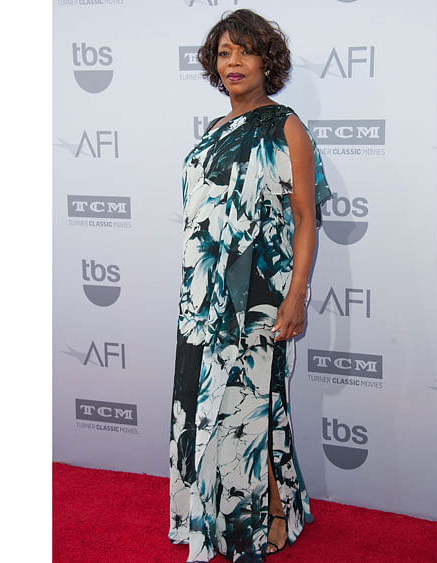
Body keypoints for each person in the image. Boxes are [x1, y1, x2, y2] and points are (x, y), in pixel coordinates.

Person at [168, 8, 333, 563]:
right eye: (223, 53)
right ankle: (210, 515)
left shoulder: (286, 125)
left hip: (258, 292)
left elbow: (306, 218)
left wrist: (297, 295)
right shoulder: (214, 131)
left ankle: (272, 512)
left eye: (244, 50)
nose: (233, 62)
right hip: (203, 294)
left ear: (268, 59)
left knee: (252, 406)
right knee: (204, 406)